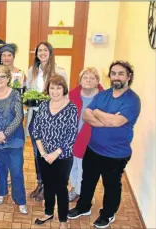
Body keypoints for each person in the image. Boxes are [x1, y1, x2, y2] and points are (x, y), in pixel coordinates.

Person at [68, 61, 141, 229]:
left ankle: (108, 214)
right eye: (113, 73)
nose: (116, 77)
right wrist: (105, 118)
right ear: (110, 76)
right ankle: (83, 207)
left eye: (121, 73)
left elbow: (117, 121)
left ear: (129, 77)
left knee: (111, 186)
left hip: (116, 153)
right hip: (93, 148)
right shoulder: (103, 95)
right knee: (88, 181)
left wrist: (98, 113)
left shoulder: (132, 99)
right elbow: (86, 115)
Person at [32, 75, 78, 229]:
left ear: (64, 89)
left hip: (62, 156)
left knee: (61, 188)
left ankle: (63, 220)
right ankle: (48, 212)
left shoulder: (71, 108)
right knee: (48, 185)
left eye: (58, 88)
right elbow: (36, 129)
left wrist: (55, 154)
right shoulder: (44, 105)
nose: (55, 91)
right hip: (44, 154)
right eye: (52, 88)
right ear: (48, 89)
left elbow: (71, 135)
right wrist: (43, 153)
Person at [26, 41, 67, 201]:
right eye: (39, 50)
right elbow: (29, 92)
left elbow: (64, 95)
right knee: (37, 152)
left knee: (49, 151)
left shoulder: (60, 71)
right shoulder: (32, 71)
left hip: (52, 117)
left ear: (50, 52)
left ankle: (50, 184)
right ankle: (41, 182)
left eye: (45, 50)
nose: (42, 53)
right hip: (35, 116)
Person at [0, 66, 27, 214]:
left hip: (13, 139)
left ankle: (20, 200)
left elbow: (19, 116)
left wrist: (6, 134)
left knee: (16, 170)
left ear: (8, 78)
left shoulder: (15, 94)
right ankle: (1, 193)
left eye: (2, 77)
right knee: (0, 169)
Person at [67, 67, 103, 202]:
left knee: (85, 167)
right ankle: (75, 188)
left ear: (97, 81)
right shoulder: (72, 94)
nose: (88, 80)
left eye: (92, 78)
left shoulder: (103, 96)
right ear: (80, 80)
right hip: (72, 136)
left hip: (91, 138)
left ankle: (82, 192)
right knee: (73, 165)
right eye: (85, 77)